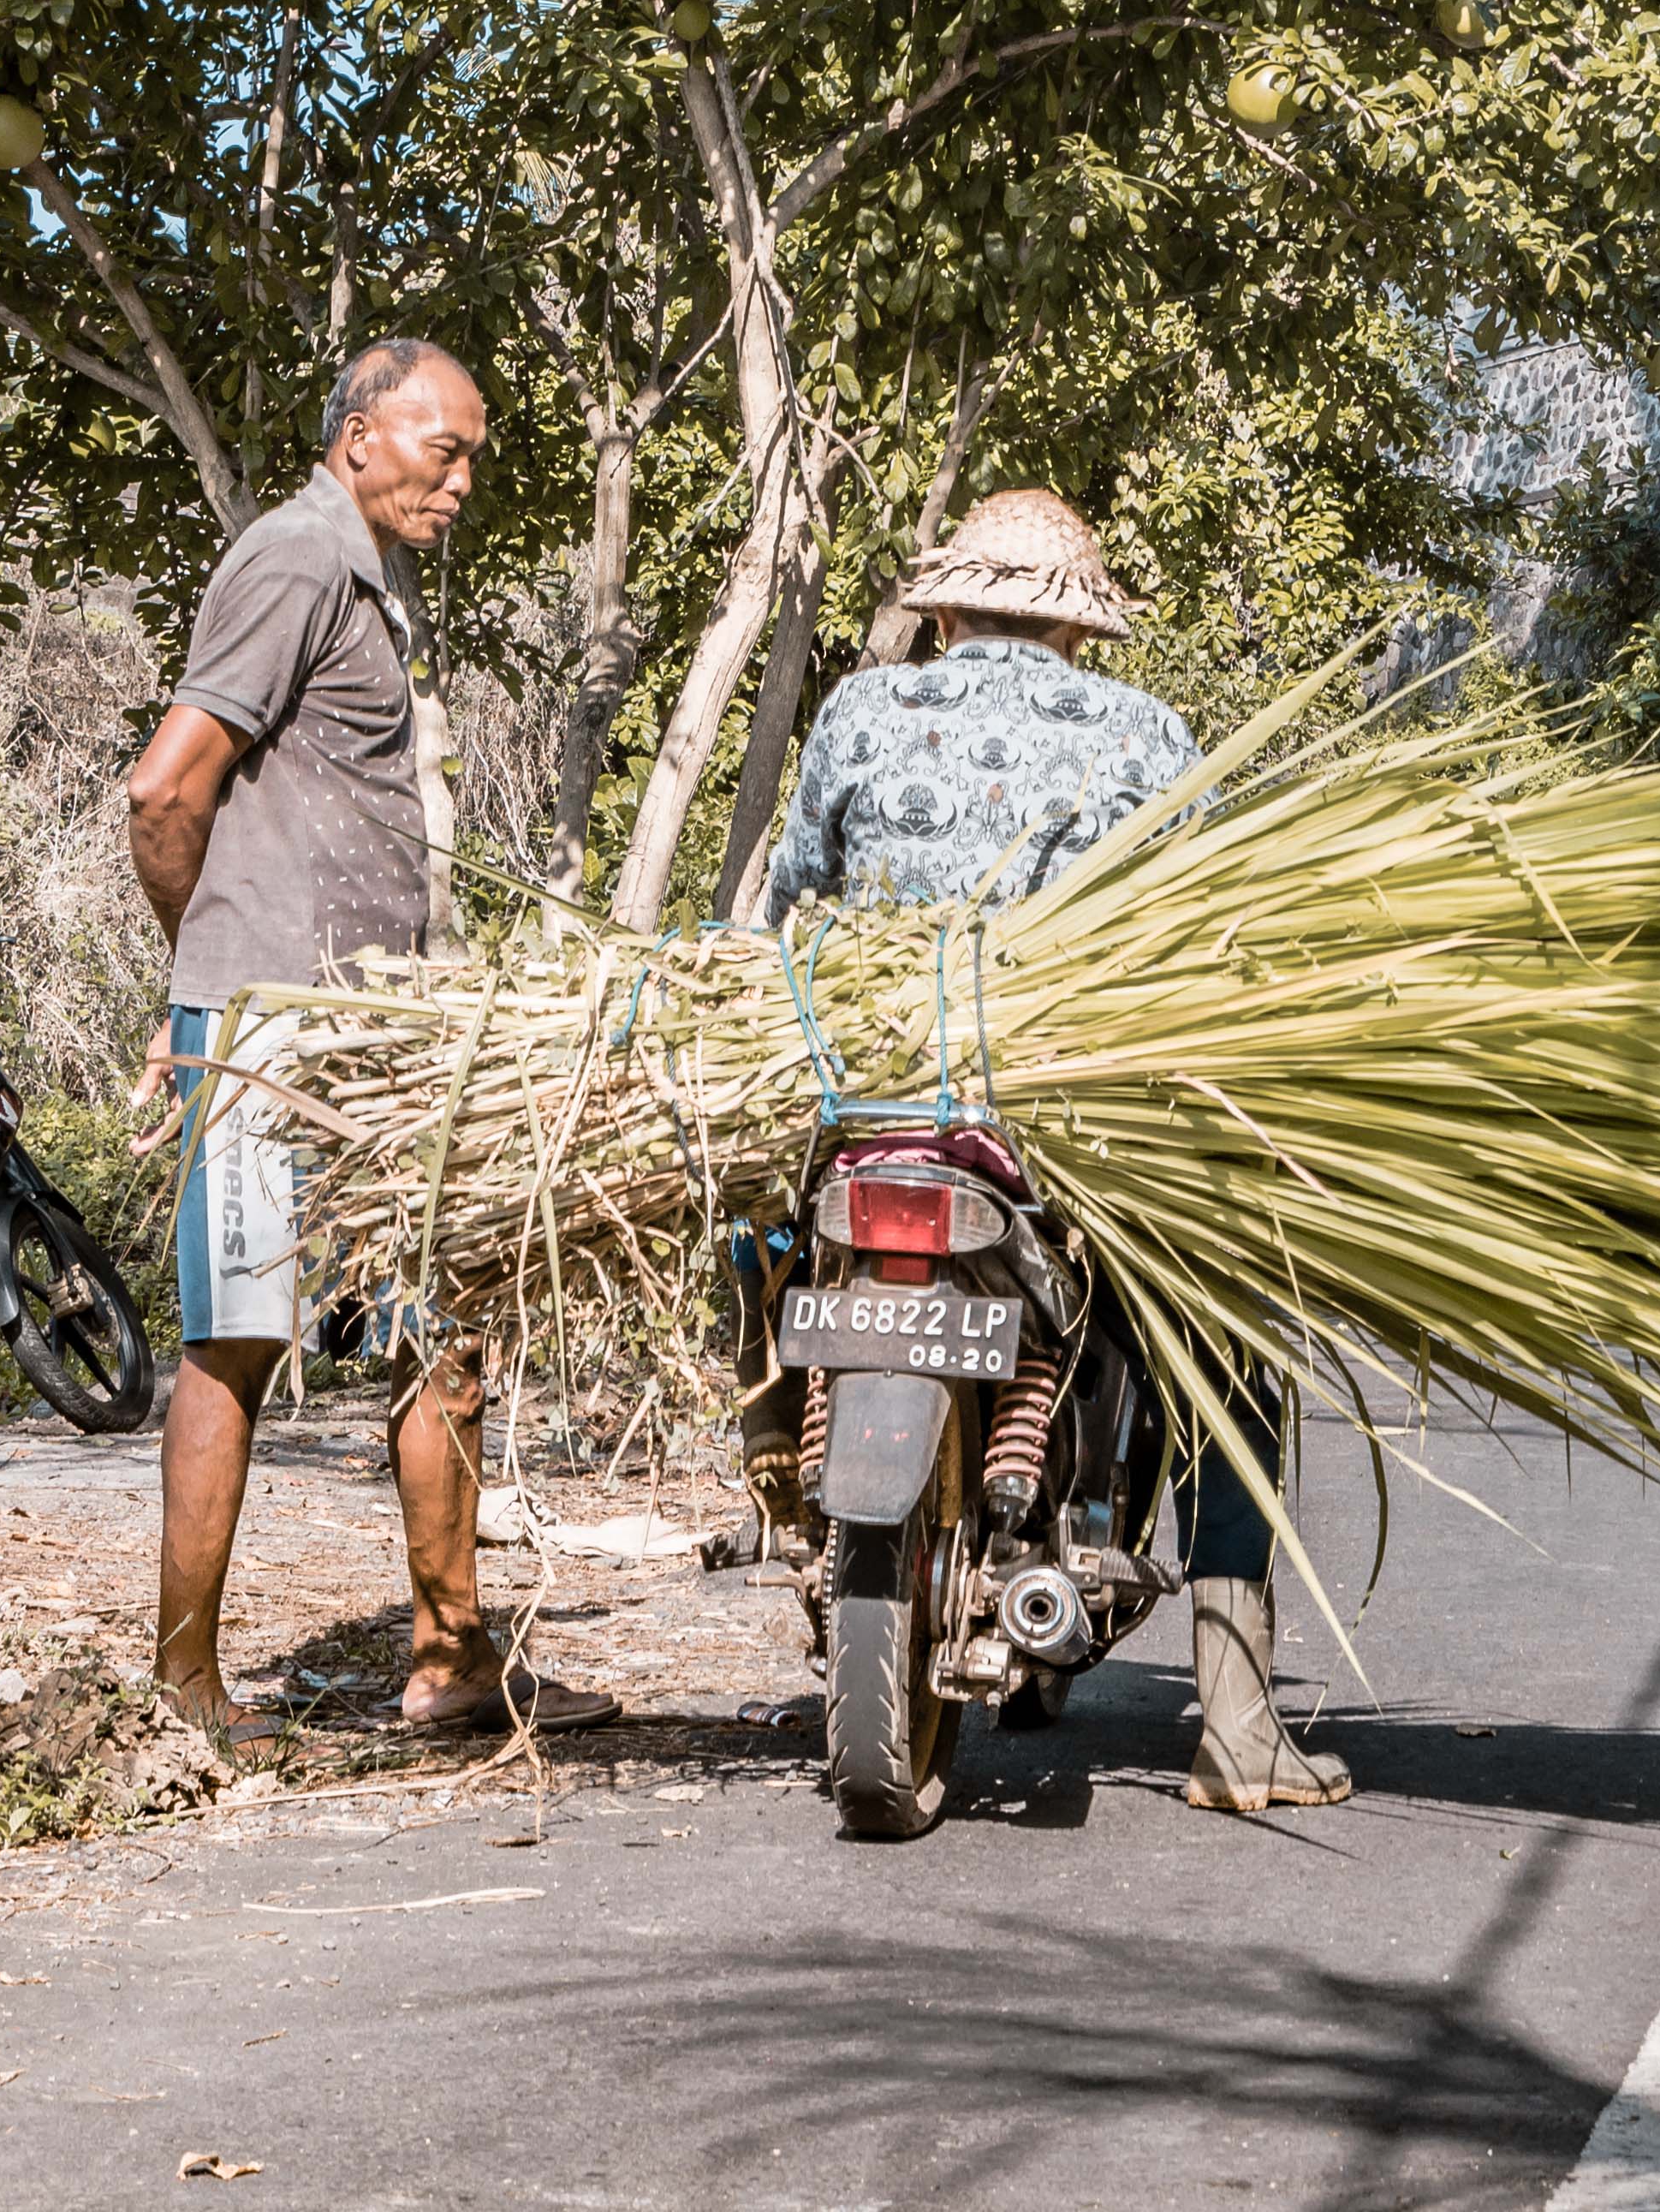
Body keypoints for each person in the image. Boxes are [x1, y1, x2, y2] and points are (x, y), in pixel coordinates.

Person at [748, 489, 1346, 1813]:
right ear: (1078, 628)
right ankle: (1238, 1727)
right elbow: (1193, 937)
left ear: (946, 606)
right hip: (1052, 1119)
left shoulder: (859, 709)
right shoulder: (1142, 732)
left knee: (750, 1235)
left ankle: (772, 1459)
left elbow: (793, 911)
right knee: (1229, 1344)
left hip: (867, 1105)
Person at [128, 339, 600, 1751]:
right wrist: (212, 980)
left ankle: (454, 1662)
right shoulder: (291, 562)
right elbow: (166, 791)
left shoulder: (364, 582)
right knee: (237, 1347)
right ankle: (185, 1690)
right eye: (435, 449)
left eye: (471, 458)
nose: (459, 481)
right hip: (279, 1030)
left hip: (373, 1036)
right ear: (355, 438)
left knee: (439, 1337)